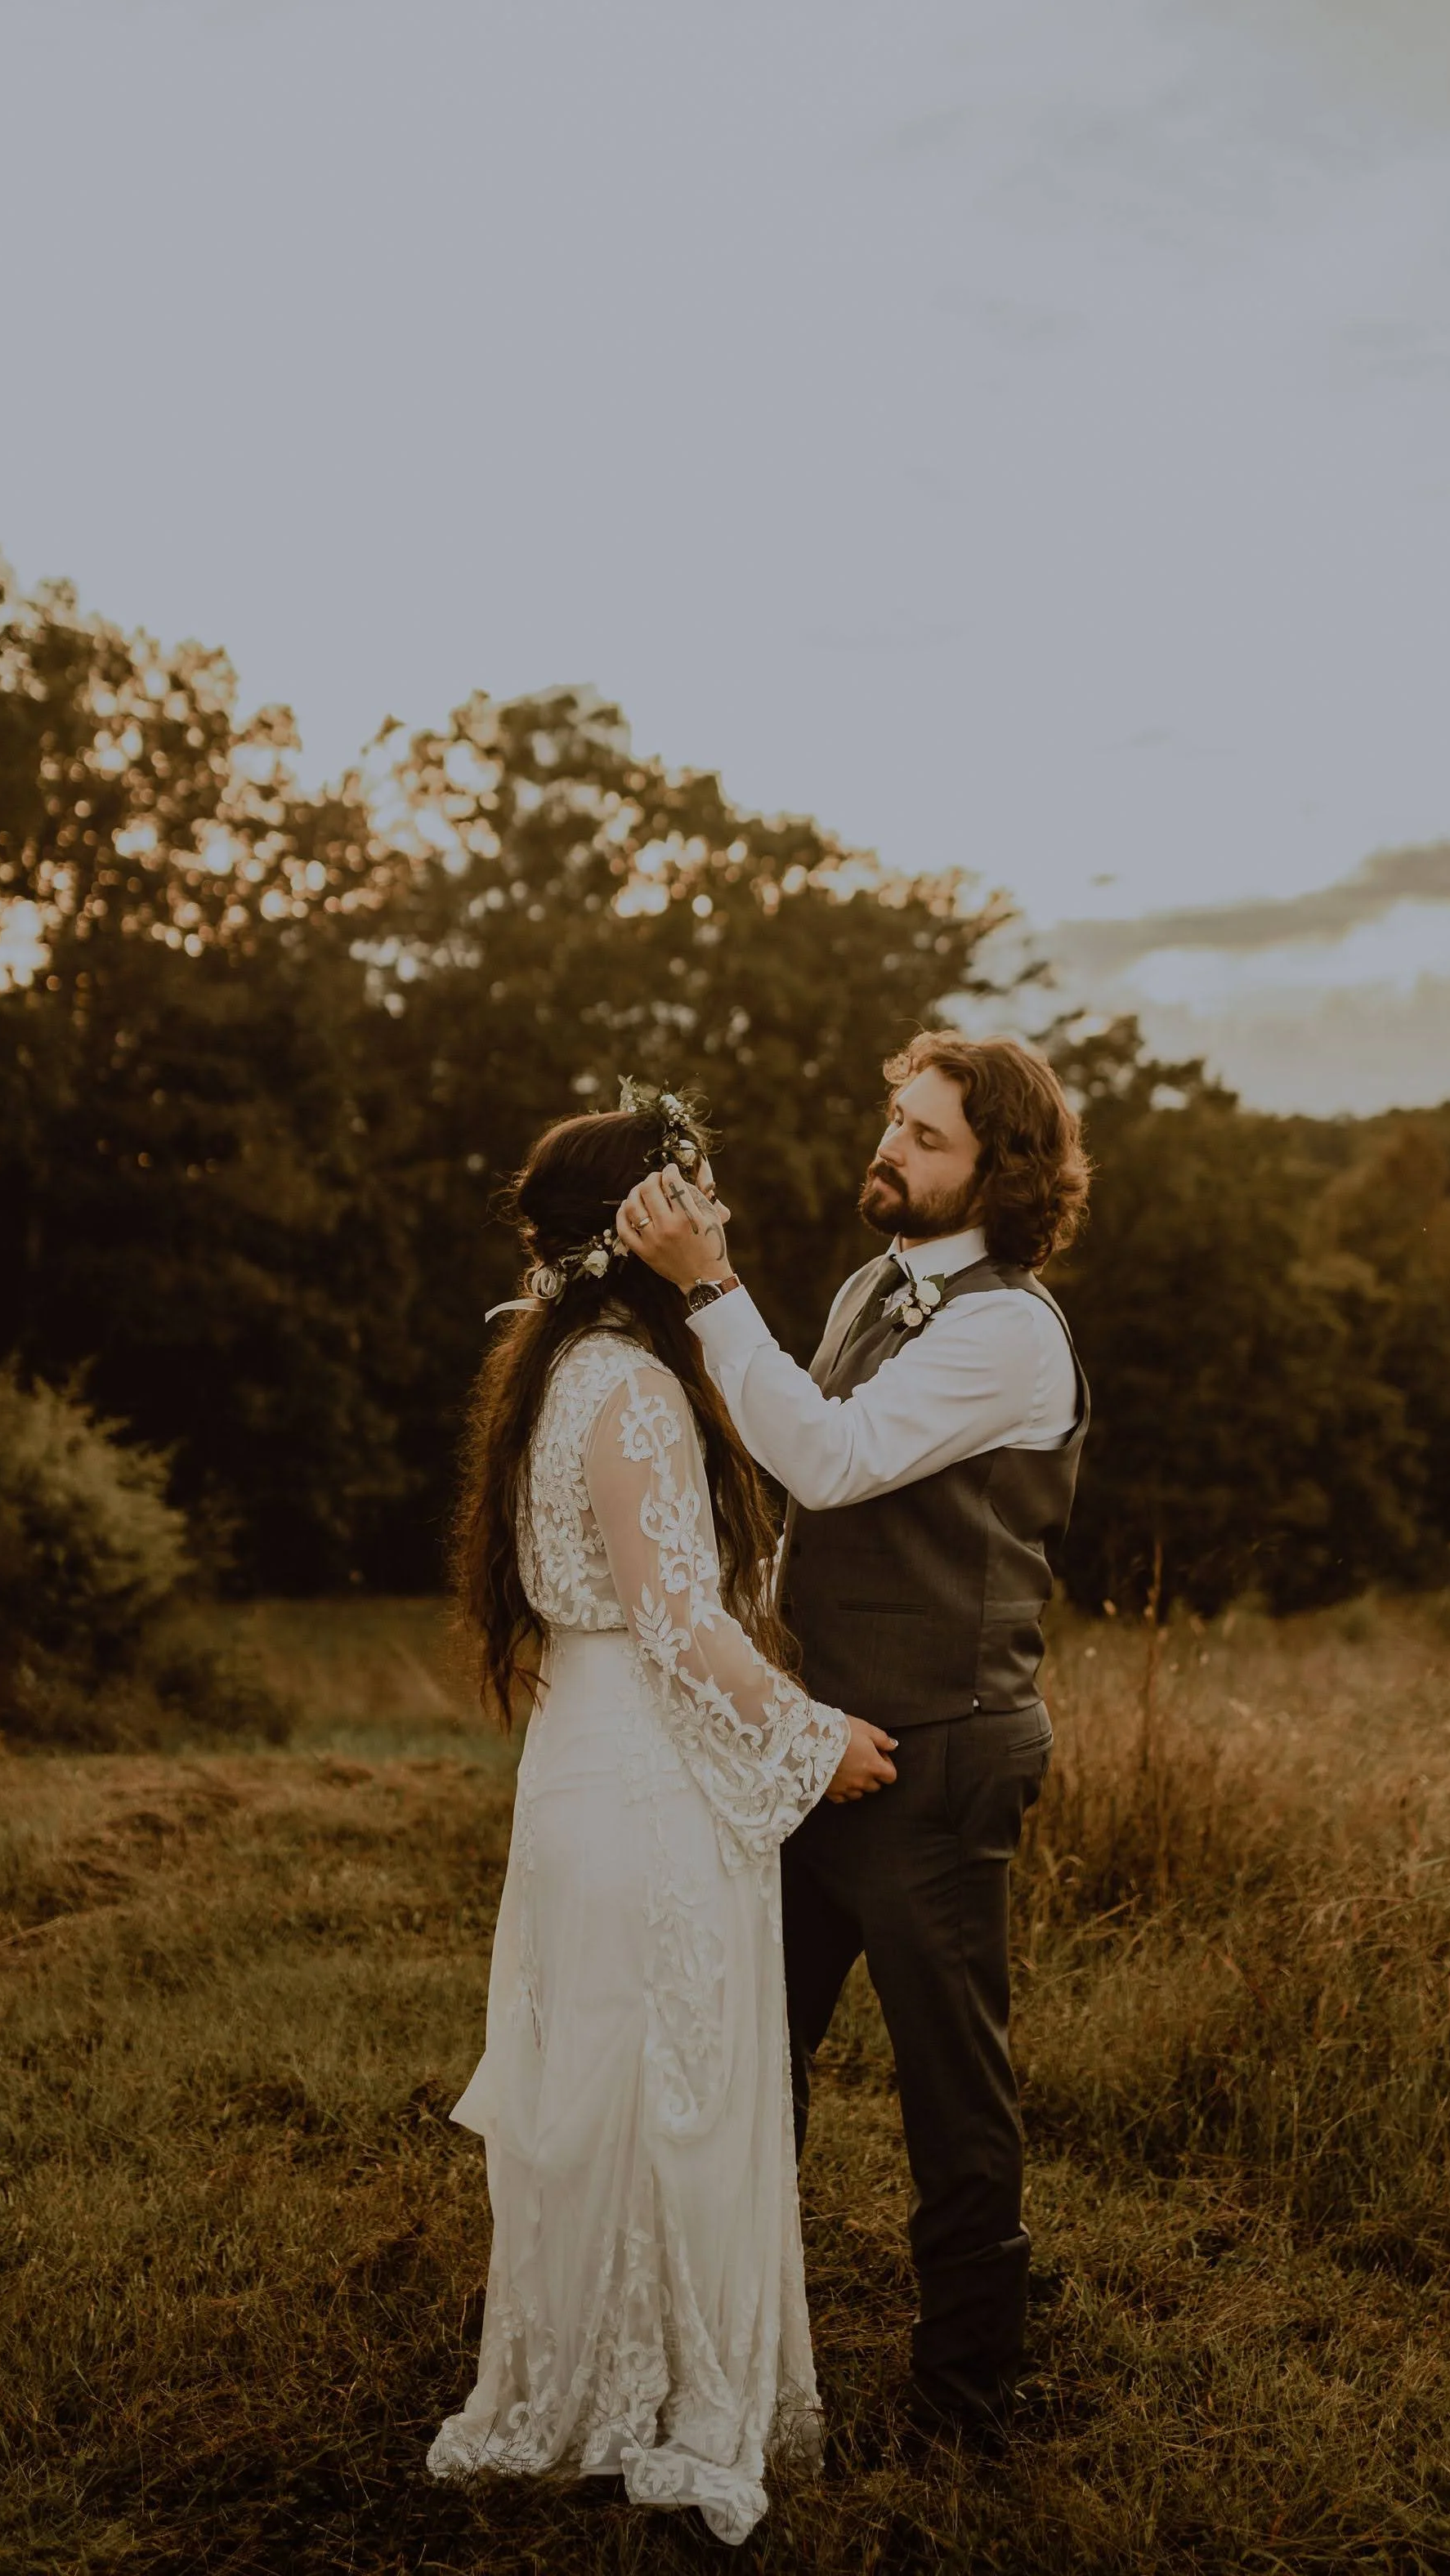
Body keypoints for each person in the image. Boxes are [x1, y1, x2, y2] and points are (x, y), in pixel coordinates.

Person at [426, 1085, 897, 2547]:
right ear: (643, 1225)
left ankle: (589, 2388)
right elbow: (681, 1623)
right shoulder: (630, 1388)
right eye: (697, 1198)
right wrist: (819, 1741)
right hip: (639, 1781)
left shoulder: (555, 1369)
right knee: (672, 2098)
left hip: (582, 1766)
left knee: (606, 2104)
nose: (721, 1219)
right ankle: (669, 2407)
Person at [617, 1031, 1090, 2444]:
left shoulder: (1008, 1328)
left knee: (951, 2084)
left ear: (999, 1175)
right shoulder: (871, 1288)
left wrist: (708, 1288)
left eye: (928, 1136)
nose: (890, 1147)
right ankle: (734, 2335)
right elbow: (801, 1497)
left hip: (943, 1749)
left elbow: (826, 1453)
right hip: (821, 1743)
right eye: (895, 1118)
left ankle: (967, 2398)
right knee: (753, 2049)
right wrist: (773, 1695)